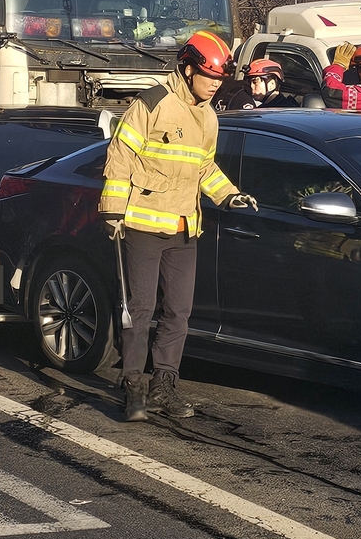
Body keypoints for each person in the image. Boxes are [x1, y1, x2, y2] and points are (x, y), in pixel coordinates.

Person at [99, 30, 256, 422]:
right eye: (210, 77)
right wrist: (113, 210)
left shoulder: (208, 116)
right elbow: (120, 155)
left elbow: (204, 167)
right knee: (140, 308)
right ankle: (133, 386)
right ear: (187, 69)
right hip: (142, 225)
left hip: (186, 227)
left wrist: (228, 194)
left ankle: (163, 386)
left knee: (178, 312)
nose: (215, 86)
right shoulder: (152, 103)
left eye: (220, 80)